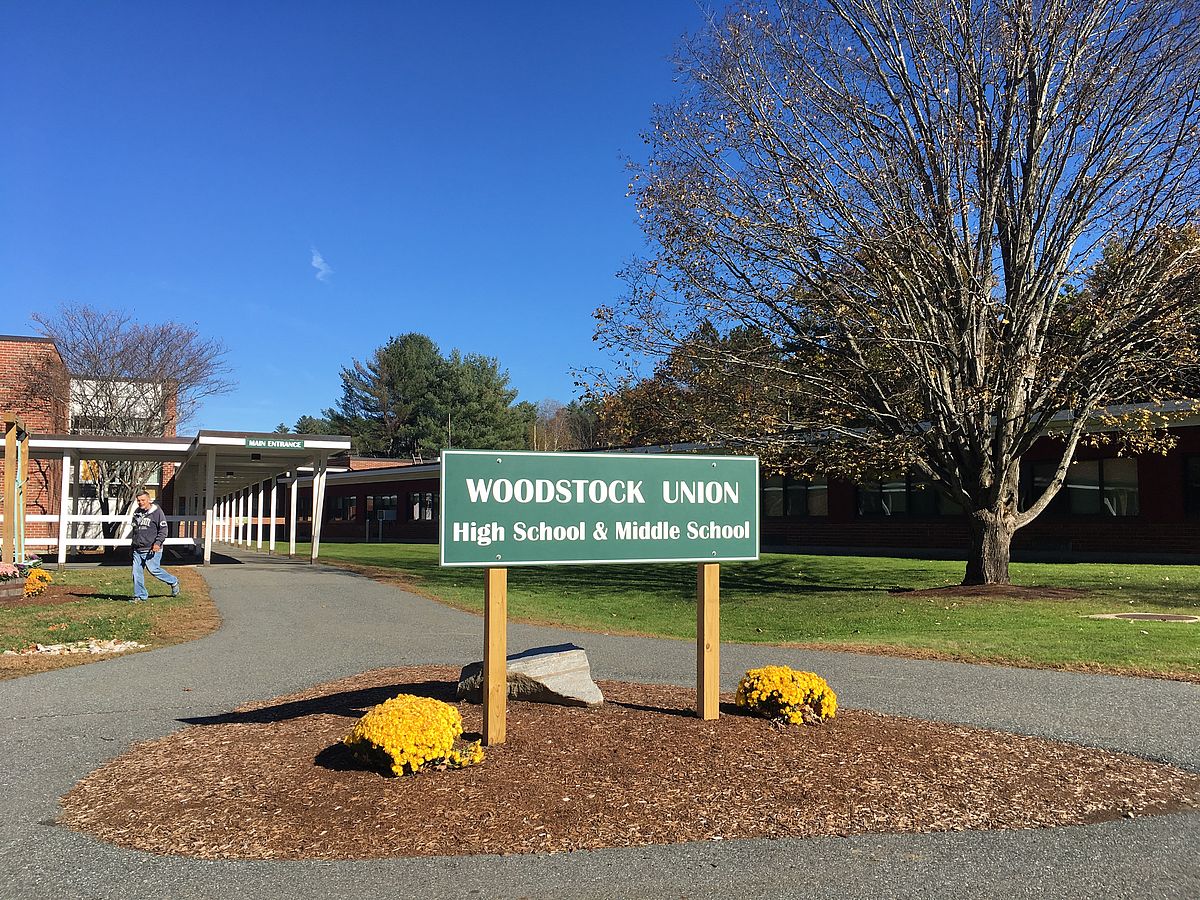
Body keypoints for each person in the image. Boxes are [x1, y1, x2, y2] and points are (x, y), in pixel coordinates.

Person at [130, 489, 180, 602]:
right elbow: (135, 531)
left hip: (152, 548)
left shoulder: (157, 512)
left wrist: (157, 543)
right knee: (136, 573)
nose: (141, 502)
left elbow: (163, 530)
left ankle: (173, 581)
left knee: (154, 570)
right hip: (137, 549)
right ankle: (140, 596)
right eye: (138, 500)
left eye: (143, 500)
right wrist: (132, 546)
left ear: (149, 500)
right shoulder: (137, 512)